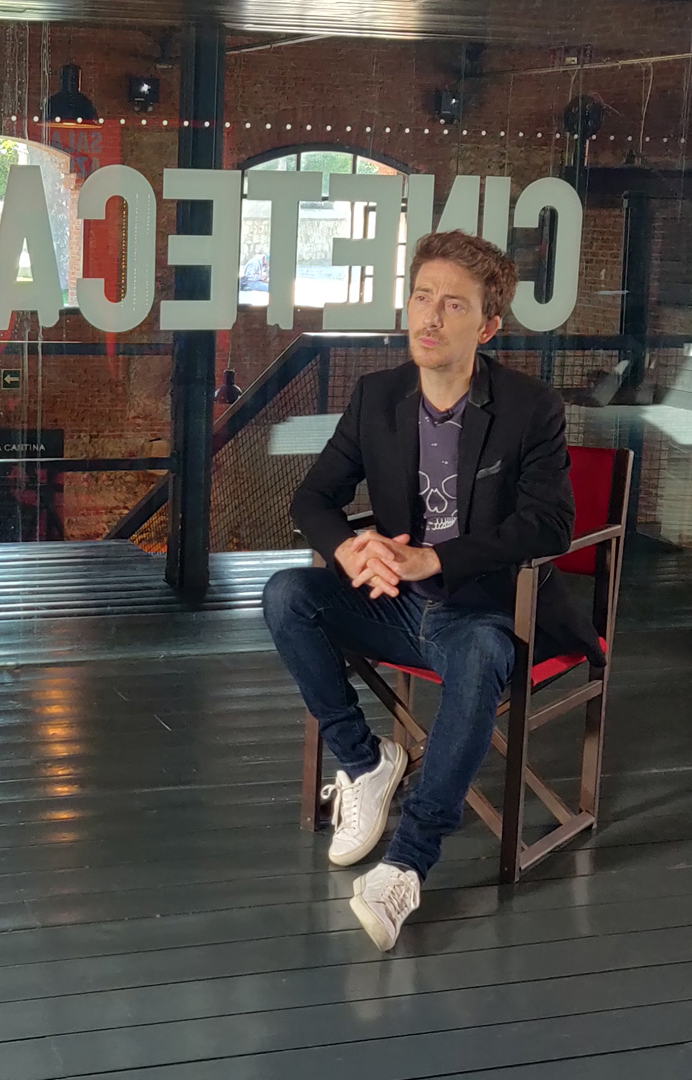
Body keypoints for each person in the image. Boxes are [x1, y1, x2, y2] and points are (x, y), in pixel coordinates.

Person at [263, 230, 604, 952]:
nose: (431, 316)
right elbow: (313, 498)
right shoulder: (377, 396)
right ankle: (365, 764)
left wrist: (433, 560)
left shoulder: (530, 407)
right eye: (422, 297)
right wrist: (350, 547)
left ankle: (406, 865)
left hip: (483, 609)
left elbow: (551, 523)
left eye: (454, 305)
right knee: (288, 594)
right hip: (393, 603)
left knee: (478, 657)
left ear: (487, 327)